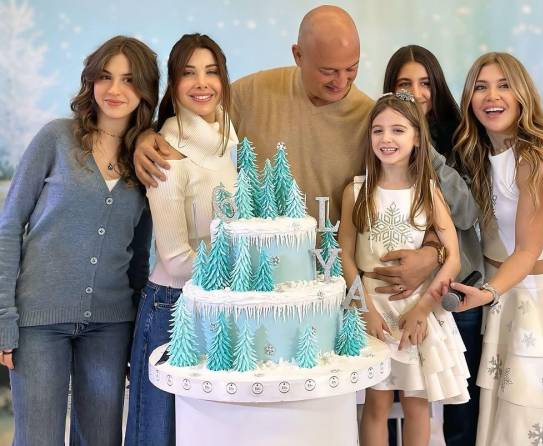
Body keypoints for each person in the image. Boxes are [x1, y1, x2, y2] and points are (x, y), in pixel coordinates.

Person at [132, 6, 443, 302]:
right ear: (298, 55)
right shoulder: (251, 93)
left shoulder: (374, 121)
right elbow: (191, 122)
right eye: (328, 71)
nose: (342, 82)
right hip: (257, 286)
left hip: (332, 284)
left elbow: (423, 190)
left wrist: (433, 252)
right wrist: (143, 138)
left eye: (352, 69)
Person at [0, 36, 158, 445]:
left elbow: (138, 255)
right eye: (106, 77)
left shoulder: (142, 159)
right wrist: (4, 318)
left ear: (145, 89)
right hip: (39, 322)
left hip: (110, 325)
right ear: (91, 80)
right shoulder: (56, 138)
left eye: (129, 79)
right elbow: (9, 225)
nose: (115, 89)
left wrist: (136, 331)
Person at [451, 52, 543, 445]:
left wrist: (486, 292)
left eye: (504, 86)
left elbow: (526, 252)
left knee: (534, 420)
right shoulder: (481, 156)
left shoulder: (536, 159)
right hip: (505, 296)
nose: (491, 96)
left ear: (522, 95)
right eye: (481, 87)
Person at [125, 33, 237, 446]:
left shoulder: (228, 139)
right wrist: (239, 272)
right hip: (172, 307)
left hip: (218, 303)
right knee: (160, 435)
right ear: (173, 85)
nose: (202, 83)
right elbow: (174, 258)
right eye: (189, 74)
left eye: (211, 72)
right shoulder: (166, 152)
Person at [339, 91, 470, 446]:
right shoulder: (356, 191)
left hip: (416, 311)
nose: (386, 138)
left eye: (398, 130)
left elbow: (452, 258)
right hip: (373, 310)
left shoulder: (428, 191)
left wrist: (423, 309)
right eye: (378, 130)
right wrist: (364, 309)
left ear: (417, 139)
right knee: (376, 403)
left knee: (416, 404)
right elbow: (345, 255)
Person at [381, 44, 484, 445]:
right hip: (401, 298)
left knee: (459, 406)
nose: (416, 93)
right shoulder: (383, 141)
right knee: (395, 399)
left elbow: (467, 214)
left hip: (454, 292)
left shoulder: (460, 140)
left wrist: (426, 149)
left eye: (425, 83)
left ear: (437, 87)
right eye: (404, 84)